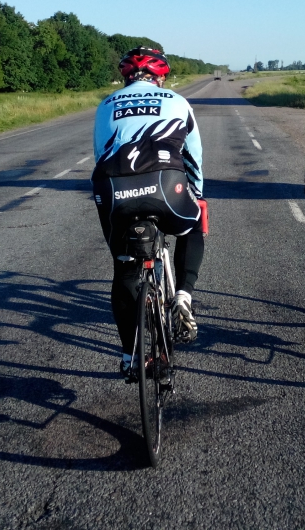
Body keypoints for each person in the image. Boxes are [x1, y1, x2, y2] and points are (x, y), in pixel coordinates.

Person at [92, 47, 206, 376]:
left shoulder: (106, 104)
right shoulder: (177, 101)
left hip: (114, 189)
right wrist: (197, 195)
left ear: (126, 77)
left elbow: (100, 154)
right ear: (161, 77)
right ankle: (182, 296)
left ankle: (130, 357)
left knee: (124, 269)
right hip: (166, 185)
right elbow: (193, 156)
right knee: (193, 225)